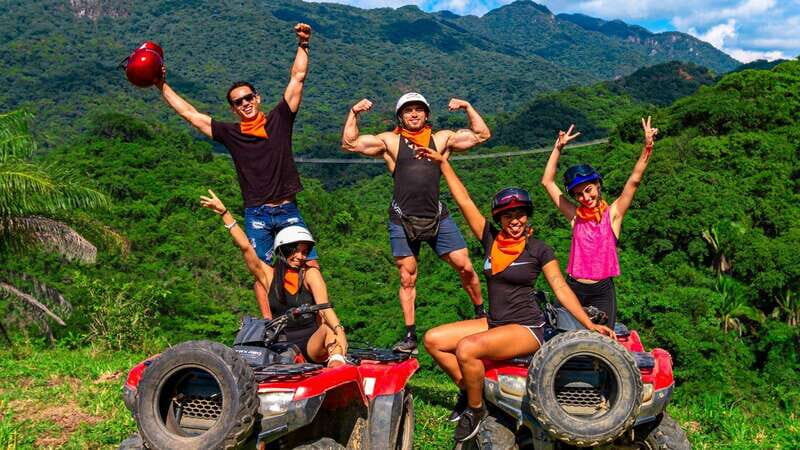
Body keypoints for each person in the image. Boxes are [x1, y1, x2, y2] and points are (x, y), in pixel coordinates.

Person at [416, 146, 615, 442]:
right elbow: (465, 201)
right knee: (433, 340)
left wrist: (588, 324)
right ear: (500, 219)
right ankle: (470, 389)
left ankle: (475, 409)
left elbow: (560, 288)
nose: (515, 221)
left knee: (467, 349)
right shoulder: (490, 240)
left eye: (520, 215)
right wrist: (444, 164)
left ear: (527, 217)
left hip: (526, 327)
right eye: (508, 216)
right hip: (495, 321)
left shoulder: (539, 249)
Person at [155, 23, 317, 317]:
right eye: (237, 102)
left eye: (248, 98)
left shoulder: (280, 118)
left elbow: (298, 77)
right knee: (261, 272)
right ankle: (271, 327)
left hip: (288, 209)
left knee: (310, 266)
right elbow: (189, 115)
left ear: (257, 98)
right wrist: (160, 85)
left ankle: (319, 323)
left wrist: (303, 44)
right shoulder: (231, 133)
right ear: (233, 109)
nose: (244, 104)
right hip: (257, 214)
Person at [341, 93, 489, 354]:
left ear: (427, 114)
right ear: (400, 116)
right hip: (403, 219)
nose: (413, 114)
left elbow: (481, 135)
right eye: (408, 110)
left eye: (418, 110)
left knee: (465, 266)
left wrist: (467, 107)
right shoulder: (391, 141)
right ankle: (410, 337)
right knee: (407, 277)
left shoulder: (441, 139)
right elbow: (350, 143)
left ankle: (483, 313)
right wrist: (354, 113)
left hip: (436, 216)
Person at [200, 190, 347, 367]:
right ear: (283, 250)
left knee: (330, 329)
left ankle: (336, 367)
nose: (300, 256)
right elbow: (246, 247)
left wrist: (339, 331)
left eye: (304, 252)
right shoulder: (269, 276)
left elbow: (324, 308)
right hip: (283, 346)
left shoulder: (310, 274)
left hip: (311, 342)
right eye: (295, 250)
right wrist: (225, 214)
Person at [540, 118, 658, 329]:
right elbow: (547, 182)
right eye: (578, 194)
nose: (585, 197)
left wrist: (648, 146)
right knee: (560, 338)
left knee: (602, 344)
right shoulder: (575, 216)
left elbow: (634, 180)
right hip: (573, 288)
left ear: (597, 185)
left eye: (588, 190)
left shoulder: (613, 215)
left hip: (602, 291)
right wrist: (558, 148)